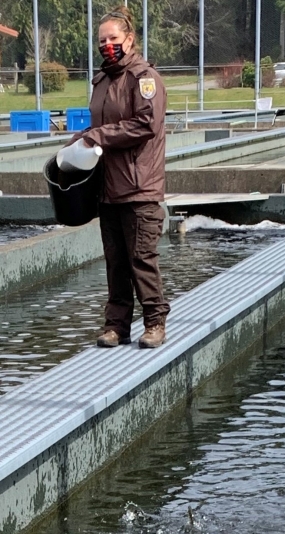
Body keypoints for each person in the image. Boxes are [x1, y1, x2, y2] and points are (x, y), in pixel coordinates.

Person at [70, 5, 170, 349]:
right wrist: (82, 136)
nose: (106, 44)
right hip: (108, 187)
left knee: (141, 259)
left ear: (129, 39)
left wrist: (98, 135)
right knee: (114, 261)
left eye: (113, 38)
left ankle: (155, 321)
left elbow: (145, 124)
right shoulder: (101, 80)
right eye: (101, 40)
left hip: (139, 186)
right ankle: (116, 326)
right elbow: (102, 126)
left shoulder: (144, 78)